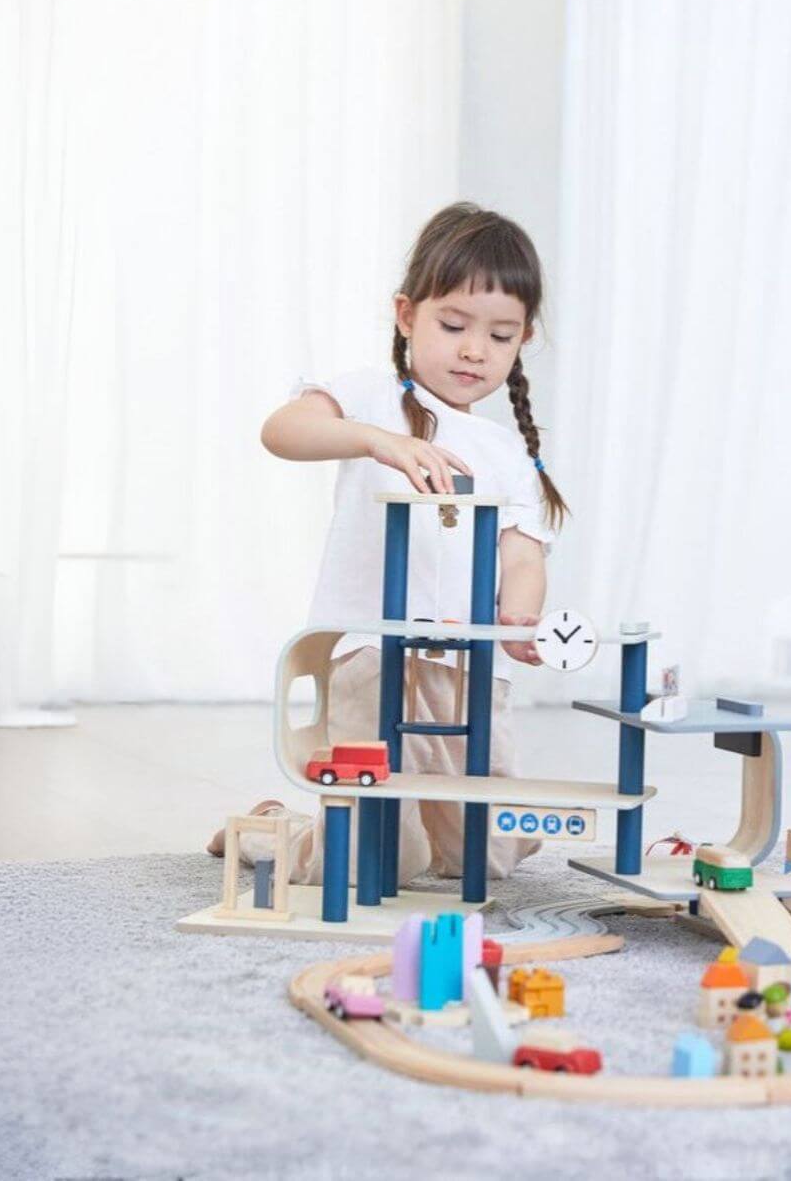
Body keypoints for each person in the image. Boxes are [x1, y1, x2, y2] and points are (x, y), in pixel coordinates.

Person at [225, 202, 568, 887]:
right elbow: (282, 431)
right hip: (372, 652)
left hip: (468, 669)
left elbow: (524, 553)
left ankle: (346, 826)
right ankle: (277, 836)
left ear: (522, 340)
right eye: (453, 325)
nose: (474, 350)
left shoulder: (504, 450)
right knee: (387, 856)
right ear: (407, 315)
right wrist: (379, 440)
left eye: (500, 335)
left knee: (493, 855)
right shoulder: (370, 397)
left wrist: (520, 619)